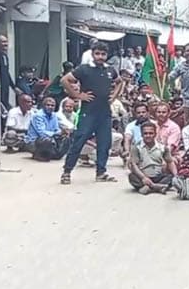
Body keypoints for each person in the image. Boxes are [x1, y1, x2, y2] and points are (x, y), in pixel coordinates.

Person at [60, 41, 124, 184]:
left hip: (105, 113)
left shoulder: (110, 70)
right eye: (97, 54)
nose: (100, 57)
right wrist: (78, 96)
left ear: (107, 55)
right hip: (88, 112)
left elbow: (120, 82)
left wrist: (114, 97)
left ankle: (101, 173)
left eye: (103, 54)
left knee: (104, 143)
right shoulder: (84, 69)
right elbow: (65, 80)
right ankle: (67, 172)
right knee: (79, 141)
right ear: (93, 54)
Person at [127, 122, 176, 194]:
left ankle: (150, 188)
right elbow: (134, 165)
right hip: (142, 176)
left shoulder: (162, 147)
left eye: (151, 133)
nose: (148, 135)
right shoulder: (136, 147)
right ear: (141, 134)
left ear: (155, 134)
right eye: (145, 133)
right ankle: (157, 187)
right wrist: (143, 177)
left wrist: (176, 176)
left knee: (171, 177)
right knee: (132, 177)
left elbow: (170, 162)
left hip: (158, 177)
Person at [26, 97, 68, 161]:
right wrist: (57, 133)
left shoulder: (54, 115)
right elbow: (41, 133)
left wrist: (63, 132)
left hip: (50, 138)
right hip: (34, 142)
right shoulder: (38, 116)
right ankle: (38, 154)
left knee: (66, 138)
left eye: (52, 105)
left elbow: (56, 129)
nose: (50, 107)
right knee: (46, 139)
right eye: (48, 105)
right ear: (43, 106)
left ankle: (54, 154)